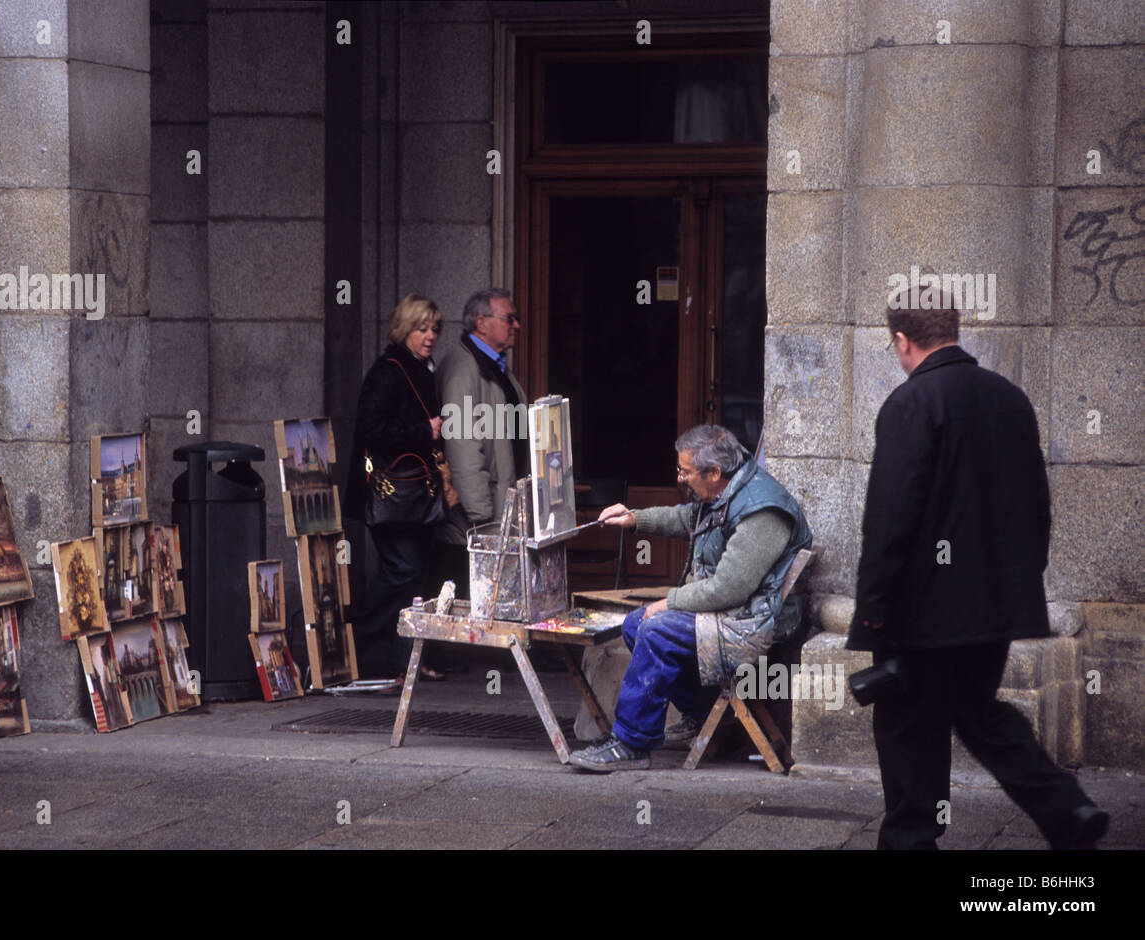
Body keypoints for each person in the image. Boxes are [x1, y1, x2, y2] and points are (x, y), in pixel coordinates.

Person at [849, 292, 1108, 849]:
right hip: (991, 606)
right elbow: (1037, 508)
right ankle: (1067, 809)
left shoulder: (911, 403)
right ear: (953, 331)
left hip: (920, 612)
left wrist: (871, 612)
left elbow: (889, 521)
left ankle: (910, 841)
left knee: (909, 730)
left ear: (902, 340)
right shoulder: (1010, 399)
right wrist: (1019, 583)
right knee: (980, 716)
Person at [568, 424, 812, 772]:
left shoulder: (762, 511)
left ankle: (631, 743)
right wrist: (636, 519)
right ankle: (702, 713)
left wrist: (671, 601)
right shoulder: (726, 489)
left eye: (685, 472)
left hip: (750, 622)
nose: (681, 478)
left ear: (714, 473)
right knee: (637, 623)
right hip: (735, 611)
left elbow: (729, 588)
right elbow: (689, 519)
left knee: (656, 628)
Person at [344, 294, 447, 680]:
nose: (430, 335)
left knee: (417, 576)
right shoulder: (389, 370)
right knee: (407, 569)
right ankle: (353, 636)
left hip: (414, 496)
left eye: (435, 328)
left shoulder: (422, 369)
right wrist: (424, 431)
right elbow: (369, 427)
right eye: (422, 328)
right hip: (389, 494)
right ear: (404, 330)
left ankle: (405, 660)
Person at [434, 288, 528, 597]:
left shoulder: (495, 366)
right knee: (472, 597)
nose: (516, 326)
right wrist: (478, 515)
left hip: (499, 507)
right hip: (479, 518)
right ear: (481, 322)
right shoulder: (464, 368)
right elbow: (461, 445)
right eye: (509, 319)